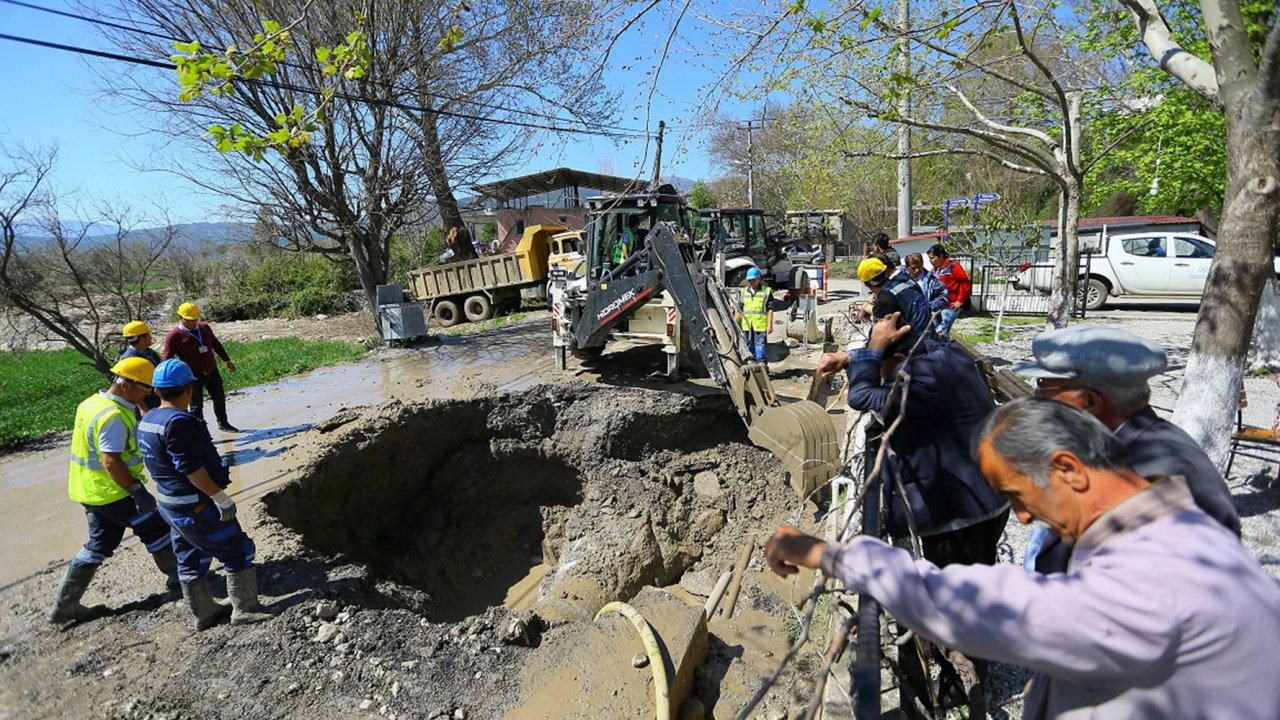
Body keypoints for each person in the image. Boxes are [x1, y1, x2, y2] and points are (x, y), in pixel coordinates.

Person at [765, 397, 1280, 720]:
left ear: (1068, 469)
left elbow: (975, 605)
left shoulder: (1152, 578)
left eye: (1016, 494)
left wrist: (824, 553)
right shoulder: (1185, 533)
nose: (1023, 517)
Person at [817, 312, 1009, 706]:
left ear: (900, 356)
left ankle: (961, 692)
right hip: (983, 496)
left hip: (961, 513)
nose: (880, 371)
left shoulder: (920, 379)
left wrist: (871, 351)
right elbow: (887, 363)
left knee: (960, 604)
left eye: (882, 362)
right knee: (968, 589)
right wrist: (858, 356)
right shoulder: (941, 352)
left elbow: (861, 397)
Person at [1012, 324, 1240, 573]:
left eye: (1043, 386)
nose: (1035, 396)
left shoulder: (1148, 478)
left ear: (1089, 401)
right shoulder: (1122, 443)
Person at [137, 359, 272, 630]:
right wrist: (219, 497)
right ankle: (245, 609)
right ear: (189, 388)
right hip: (195, 506)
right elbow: (190, 468)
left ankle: (204, 612)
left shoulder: (148, 419)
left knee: (189, 557)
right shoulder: (178, 423)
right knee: (238, 550)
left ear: (156, 390)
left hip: (169, 504)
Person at [50, 357, 179, 624]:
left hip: (90, 490)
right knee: (157, 530)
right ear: (125, 385)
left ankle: (66, 605)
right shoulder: (113, 416)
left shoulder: (91, 403)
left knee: (100, 543)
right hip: (115, 491)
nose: (148, 394)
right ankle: (181, 579)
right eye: (144, 388)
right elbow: (111, 460)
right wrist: (136, 490)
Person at [162, 302, 239, 433]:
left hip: (211, 371)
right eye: (188, 320)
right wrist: (169, 379)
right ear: (180, 317)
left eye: (194, 319)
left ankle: (224, 424)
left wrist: (227, 360)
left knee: (219, 398)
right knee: (196, 405)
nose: (192, 323)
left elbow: (216, 344)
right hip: (192, 376)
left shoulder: (204, 327)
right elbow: (167, 358)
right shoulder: (174, 335)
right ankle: (200, 432)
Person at [855, 256, 932, 336]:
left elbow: (879, 311)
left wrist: (865, 307)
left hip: (918, 341)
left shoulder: (886, 297)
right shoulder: (905, 279)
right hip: (931, 334)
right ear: (886, 272)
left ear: (867, 284)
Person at [926, 243, 971, 340]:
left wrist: (960, 300)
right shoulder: (935, 269)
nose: (930, 261)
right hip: (937, 306)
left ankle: (944, 347)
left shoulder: (953, 266)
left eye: (932, 258)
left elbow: (965, 283)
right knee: (936, 331)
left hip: (950, 306)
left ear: (941, 256)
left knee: (943, 332)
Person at [120, 321, 162, 411]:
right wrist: (142, 408)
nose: (151, 337)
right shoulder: (129, 359)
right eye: (148, 335)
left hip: (155, 398)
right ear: (142, 339)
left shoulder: (148, 352)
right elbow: (131, 386)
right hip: (146, 403)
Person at [736, 267, 773, 364]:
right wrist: (735, 323)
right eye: (750, 280)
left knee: (760, 348)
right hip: (747, 326)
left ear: (759, 279)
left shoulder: (766, 291)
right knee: (749, 347)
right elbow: (739, 310)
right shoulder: (743, 292)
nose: (751, 282)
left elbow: (770, 309)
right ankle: (752, 366)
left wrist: (770, 325)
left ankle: (762, 367)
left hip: (760, 325)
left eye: (753, 280)